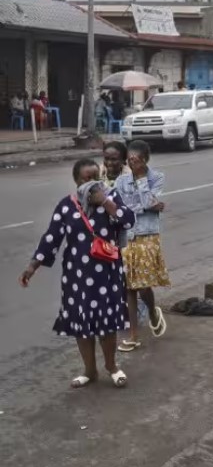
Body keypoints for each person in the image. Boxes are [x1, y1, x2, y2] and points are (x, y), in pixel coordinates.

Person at [19, 159, 135, 388]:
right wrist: (32, 267)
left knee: (107, 322)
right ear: (76, 181)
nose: (92, 184)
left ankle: (111, 366)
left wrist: (107, 203)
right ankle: (89, 370)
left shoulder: (111, 198)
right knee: (82, 324)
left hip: (107, 274)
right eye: (86, 179)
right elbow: (51, 238)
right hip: (77, 276)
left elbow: (128, 221)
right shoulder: (67, 205)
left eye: (96, 178)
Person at [114, 140, 169, 352]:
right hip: (127, 236)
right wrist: (151, 206)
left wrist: (142, 181)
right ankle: (134, 336)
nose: (131, 163)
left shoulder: (157, 177)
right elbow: (122, 210)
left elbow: (147, 203)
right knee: (129, 285)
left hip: (147, 235)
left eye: (135, 159)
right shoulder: (121, 181)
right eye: (129, 159)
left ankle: (153, 312)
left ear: (145, 160)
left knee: (143, 284)